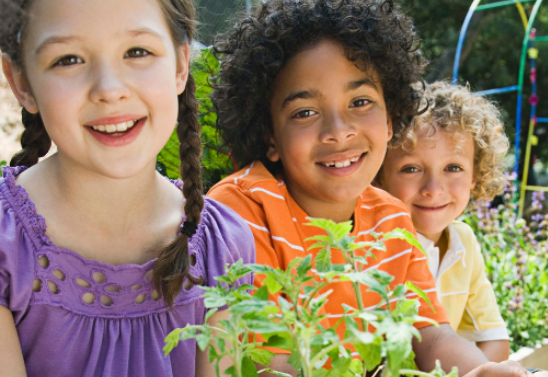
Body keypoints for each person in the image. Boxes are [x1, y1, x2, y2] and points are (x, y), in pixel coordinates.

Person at [207, 1, 535, 376]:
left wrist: (480, 372)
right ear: (270, 136)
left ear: (392, 120)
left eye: (360, 102)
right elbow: (267, 359)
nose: (338, 130)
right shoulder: (240, 210)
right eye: (304, 112)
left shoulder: (392, 217)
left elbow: (432, 336)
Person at [0, 0, 254, 376]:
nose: (110, 89)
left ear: (181, 65)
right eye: (68, 59)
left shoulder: (223, 247)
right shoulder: (7, 245)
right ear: (21, 82)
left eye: (137, 52)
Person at [377, 81, 511, 362]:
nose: (433, 189)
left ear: (475, 175)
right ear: (379, 175)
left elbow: (494, 340)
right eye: (410, 169)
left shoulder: (463, 241)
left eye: (453, 168)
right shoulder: (374, 243)